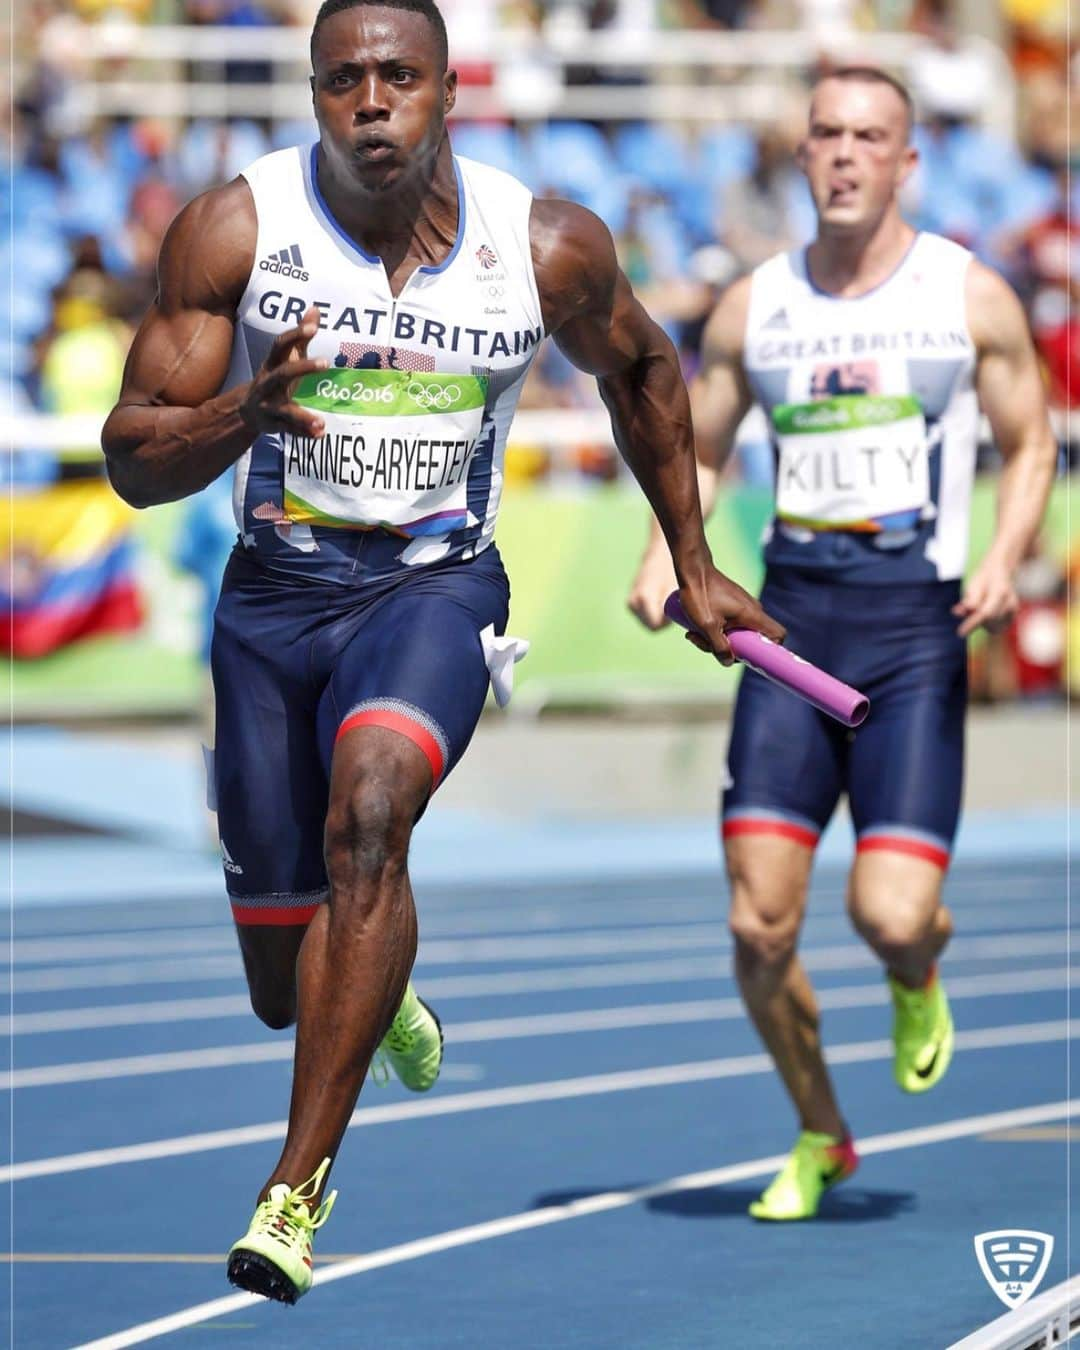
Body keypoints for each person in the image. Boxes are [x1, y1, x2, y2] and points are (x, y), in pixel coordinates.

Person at [101, 0, 782, 1304]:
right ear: (311, 97)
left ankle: (295, 1187)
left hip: (434, 591)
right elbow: (132, 459)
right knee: (275, 981)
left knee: (372, 815)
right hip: (271, 603)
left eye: (396, 77)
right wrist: (248, 409)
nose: (370, 101)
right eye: (342, 79)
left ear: (449, 92)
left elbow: (642, 369)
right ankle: (374, 986)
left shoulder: (545, 246)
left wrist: (692, 561)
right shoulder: (238, 230)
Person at [628, 67, 1057, 1222]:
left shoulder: (968, 298)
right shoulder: (751, 308)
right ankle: (823, 1133)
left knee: (891, 914)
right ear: (803, 151)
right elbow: (700, 452)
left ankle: (917, 972)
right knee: (757, 923)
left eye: (873, 137)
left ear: (908, 160)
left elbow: (1031, 443)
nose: (848, 155)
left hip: (915, 627)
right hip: (790, 626)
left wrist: (1008, 554)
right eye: (828, 135)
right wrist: (669, 551)